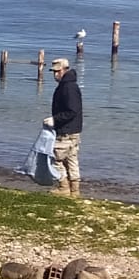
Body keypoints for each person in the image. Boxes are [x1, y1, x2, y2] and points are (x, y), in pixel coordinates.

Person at [44, 57, 82, 197]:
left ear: (64, 70)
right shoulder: (71, 85)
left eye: (57, 72)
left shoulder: (67, 87)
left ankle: (64, 186)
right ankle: (75, 190)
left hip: (66, 131)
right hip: (74, 131)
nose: (55, 75)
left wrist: (54, 120)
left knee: (55, 159)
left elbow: (72, 110)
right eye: (53, 72)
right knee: (71, 160)